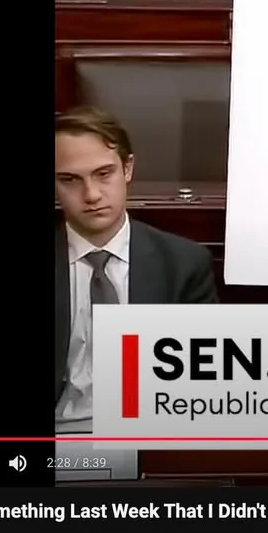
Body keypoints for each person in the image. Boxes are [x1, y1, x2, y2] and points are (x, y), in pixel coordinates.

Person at [55, 106, 218, 427]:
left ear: (127, 169)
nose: (91, 195)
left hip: (153, 434)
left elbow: (205, 378)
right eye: (70, 179)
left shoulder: (184, 264)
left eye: (104, 174)